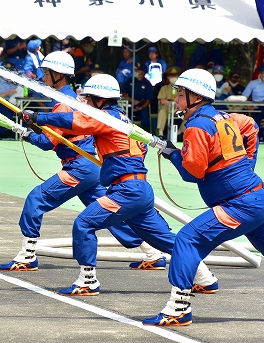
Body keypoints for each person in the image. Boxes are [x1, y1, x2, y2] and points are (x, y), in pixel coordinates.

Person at [145, 68, 264, 326]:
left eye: (180, 93)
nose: (176, 98)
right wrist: (248, 165)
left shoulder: (197, 126)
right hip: (259, 197)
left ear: (196, 96)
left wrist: (172, 154)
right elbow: (250, 125)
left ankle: (177, 309)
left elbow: (192, 173)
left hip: (240, 205)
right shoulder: (222, 117)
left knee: (187, 239)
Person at [17, 74, 217, 296]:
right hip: (140, 189)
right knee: (166, 241)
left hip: (126, 191)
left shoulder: (105, 118)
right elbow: (140, 149)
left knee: (83, 224)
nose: (84, 102)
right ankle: (205, 277)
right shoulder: (123, 118)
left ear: (100, 100)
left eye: (88, 99)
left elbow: (73, 121)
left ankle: (87, 280)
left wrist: (38, 117)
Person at [0, 52, 166, 274]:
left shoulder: (62, 104)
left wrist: (27, 133)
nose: (43, 76)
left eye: (46, 72)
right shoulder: (76, 99)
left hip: (78, 167)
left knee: (36, 198)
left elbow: (49, 142)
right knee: (113, 216)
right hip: (93, 166)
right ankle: (152, 253)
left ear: (58, 75)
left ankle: (27, 255)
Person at [120, 62, 153, 132]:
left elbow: (148, 100)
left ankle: (145, 133)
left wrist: (140, 107)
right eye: (135, 70)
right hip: (128, 105)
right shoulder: (130, 80)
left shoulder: (147, 84)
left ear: (142, 73)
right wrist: (131, 100)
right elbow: (123, 93)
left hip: (142, 106)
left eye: (137, 70)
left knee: (145, 116)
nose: (135, 72)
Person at [156, 67, 181, 138]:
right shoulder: (164, 88)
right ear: (168, 77)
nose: (173, 77)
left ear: (178, 77)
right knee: (162, 112)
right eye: (171, 76)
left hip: (179, 107)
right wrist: (171, 104)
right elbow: (162, 100)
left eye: (175, 76)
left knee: (189, 113)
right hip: (168, 107)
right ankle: (161, 133)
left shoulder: (182, 88)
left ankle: (179, 133)